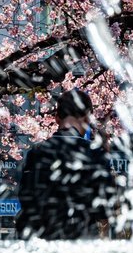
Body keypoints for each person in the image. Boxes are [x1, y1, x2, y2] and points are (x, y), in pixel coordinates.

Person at [16, 89, 117, 240]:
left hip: (42, 240)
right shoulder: (95, 154)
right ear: (87, 117)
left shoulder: (37, 153)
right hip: (80, 241)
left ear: (57, 118)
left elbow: (26, 199)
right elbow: (105, 208)